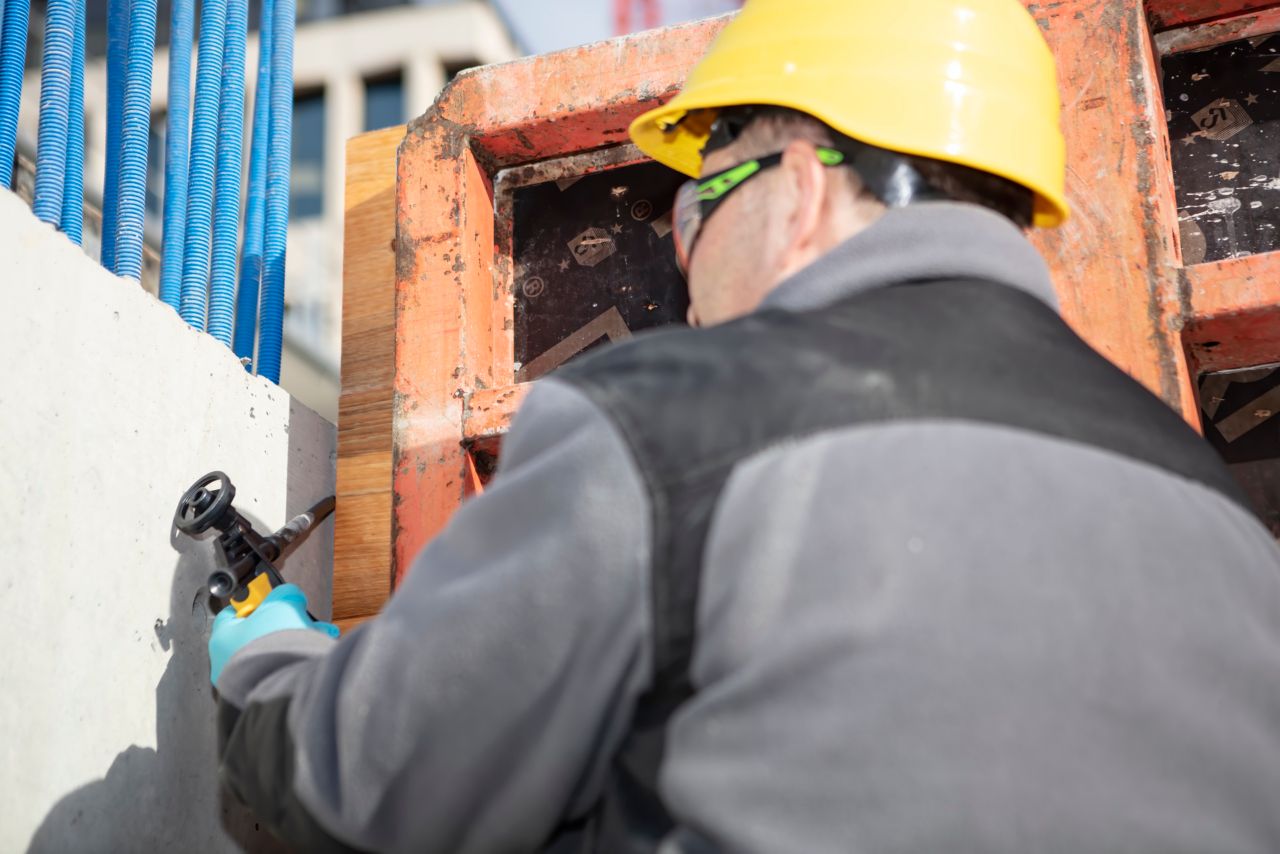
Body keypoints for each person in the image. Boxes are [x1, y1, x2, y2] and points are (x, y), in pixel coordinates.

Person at [209, 0, 1280, 851]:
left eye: (696, 198)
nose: (681, 249)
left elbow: (380, 778)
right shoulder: (1214, 510)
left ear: (803, 188)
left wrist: (268, 660)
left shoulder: (670, 425)